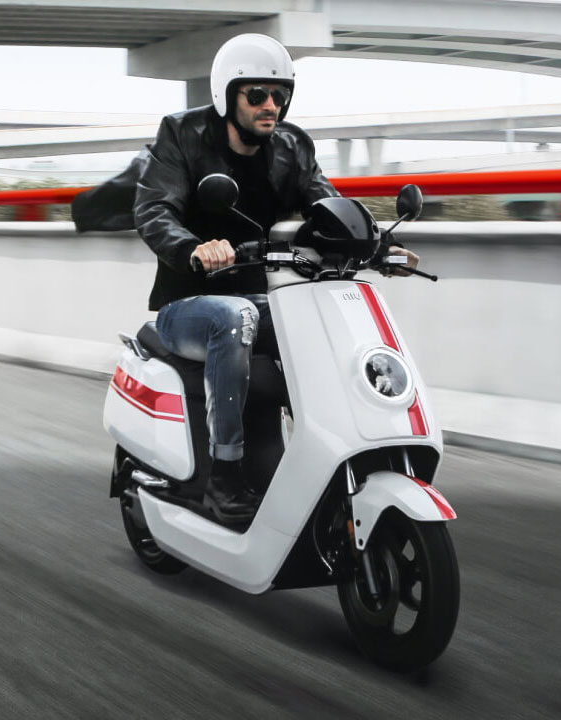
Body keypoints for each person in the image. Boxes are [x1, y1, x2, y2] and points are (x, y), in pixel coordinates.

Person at [74, 33, 417, 523]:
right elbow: (155, 209)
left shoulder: (293, 146)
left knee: (329, 322)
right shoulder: (182, 135)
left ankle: (335, 460)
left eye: (279, 95)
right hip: (190, 303)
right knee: (233, 316)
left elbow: (328, 206)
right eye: (257, 94)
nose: (270, 105)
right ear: (227, 95)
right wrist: (193, 248)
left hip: (266, 297)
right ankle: (225, 478)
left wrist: (379, 247)